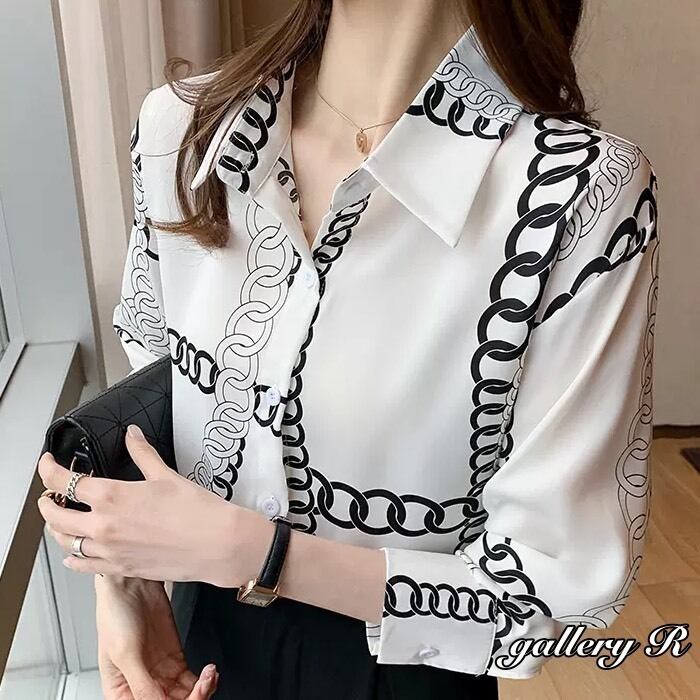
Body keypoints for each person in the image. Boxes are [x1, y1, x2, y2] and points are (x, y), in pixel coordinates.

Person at [37, 0, 661, 698]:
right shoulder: (180, 132)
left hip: (406, 670)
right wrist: (125, 577)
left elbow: (550, 588)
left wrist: (255, 554)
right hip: (193, 644)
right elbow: (165, 393)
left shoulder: (578, 196)